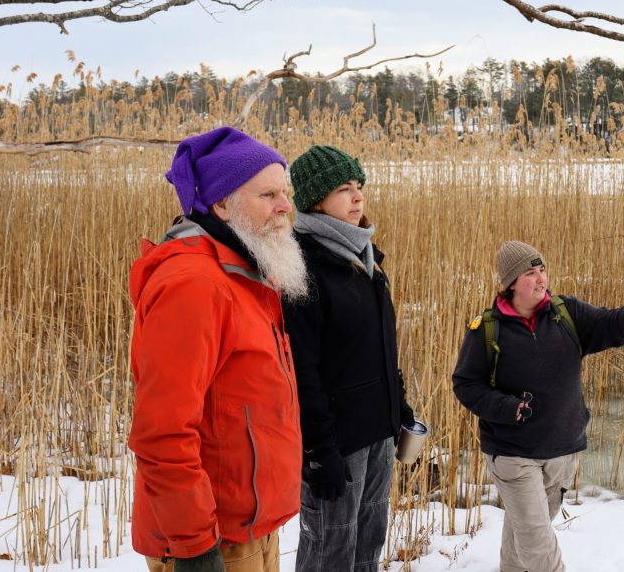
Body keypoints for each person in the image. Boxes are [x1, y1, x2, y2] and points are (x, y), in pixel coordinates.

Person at [128, 127, 308, 572]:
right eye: (268, 195)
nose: (286, 206)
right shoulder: (194, 284)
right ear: (221, 204)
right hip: (211, 542)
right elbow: (162, 432)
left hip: (249, 530)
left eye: (285, 192)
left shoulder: (244, 273)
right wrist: (194, 547)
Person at [452, 241, 624, 572]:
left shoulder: (565, 313)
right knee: (537, 542)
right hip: (513, 453)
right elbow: (465, 384)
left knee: (526, 531)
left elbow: (604, 321)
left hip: (562, 449)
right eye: (530, 273)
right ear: (512, 282)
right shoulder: (488, 329)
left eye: (542, 269)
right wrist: (506, 408)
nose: (540, 278)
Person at [283, 145, 415, 572]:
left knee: (368, 545)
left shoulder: (368, 262)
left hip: (377, 430)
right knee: (330, 553)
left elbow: (377, 348)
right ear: (315, 200)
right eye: (344, 189)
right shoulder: (301, 269)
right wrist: (319, 453)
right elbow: (303, 373)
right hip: (338, 441)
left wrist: (398, 404)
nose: (358, 197)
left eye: (359, 186)